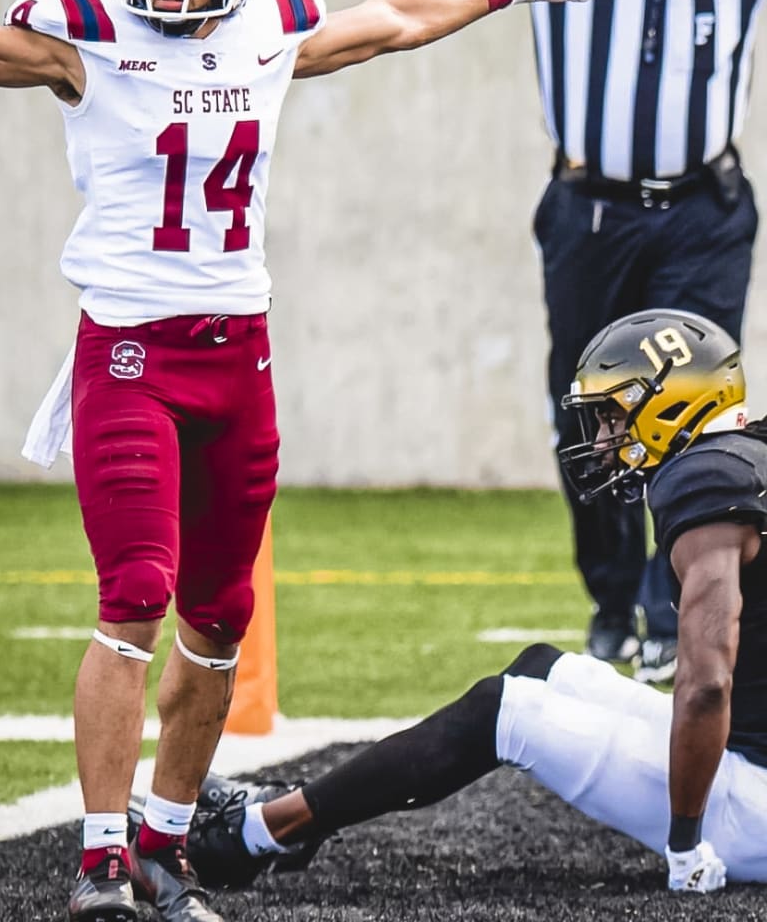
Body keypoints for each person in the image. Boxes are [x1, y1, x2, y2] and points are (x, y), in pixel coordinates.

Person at [0, 0, 588, 922]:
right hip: (129, 352)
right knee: (134, 591)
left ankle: (165, 847)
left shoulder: (269, 25)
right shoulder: (81, 37)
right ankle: (98, 865)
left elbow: (393, 17)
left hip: (237, 356)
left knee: (220, 614)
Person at [194, 0, 767, 681]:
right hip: (590, 209)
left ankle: (671, 606)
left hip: (706, 209)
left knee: (694, 408)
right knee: (588, 409)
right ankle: (614, 596)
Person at [147, 307, 767, 895]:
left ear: (667, 409)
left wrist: (685, 849)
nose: (604, 439)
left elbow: (707, 684)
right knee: (541, 667)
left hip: (753, 801)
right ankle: (295, 816)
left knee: (500, 711)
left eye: (613, 418)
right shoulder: (749, 455)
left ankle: (254, 837)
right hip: (753, 762)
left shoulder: (704, 479)